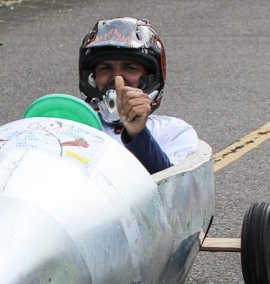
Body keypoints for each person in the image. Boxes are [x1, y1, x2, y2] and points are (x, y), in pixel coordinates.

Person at [79, 17, 198, 174]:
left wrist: (137, 134)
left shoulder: (173, 131)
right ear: (93, 78)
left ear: (149, 79)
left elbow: (169, 184)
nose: (117, 79)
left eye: (130, 68)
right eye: (105, 68)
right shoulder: (74, 127)